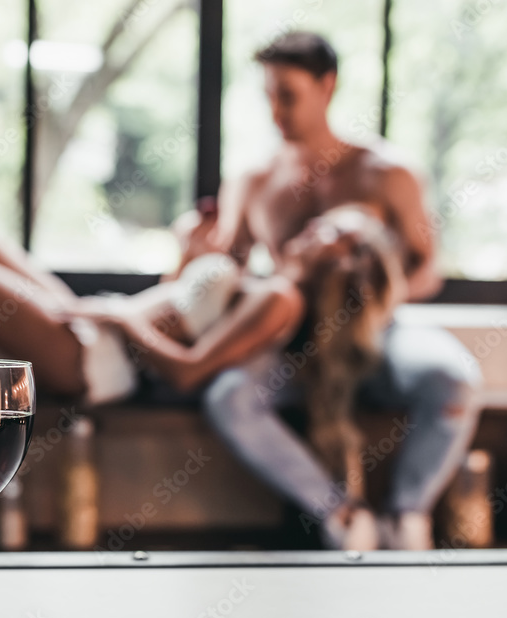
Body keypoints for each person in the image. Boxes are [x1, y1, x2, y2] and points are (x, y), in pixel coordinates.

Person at [197, 31, 482, 550]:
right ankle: (342, 514)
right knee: (229, 397)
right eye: (268, 96)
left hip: (378, 330)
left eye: (288, 95)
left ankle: (405, 518)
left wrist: (367, 305)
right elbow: (225, 268)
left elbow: (428, 270)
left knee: (453, 377)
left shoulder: (387, 172)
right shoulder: (252, 180)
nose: (276, 111)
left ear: (327, 86)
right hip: (292, 337)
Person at [0, 206, 401, 427]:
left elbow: (189, 371)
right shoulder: (265, 285)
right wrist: (186, 257)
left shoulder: (282, 300)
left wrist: (121, 320)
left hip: (100, 363)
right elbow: (178, 312)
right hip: (103, 332)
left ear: (345, 263)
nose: (315, 227)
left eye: (333, 232)